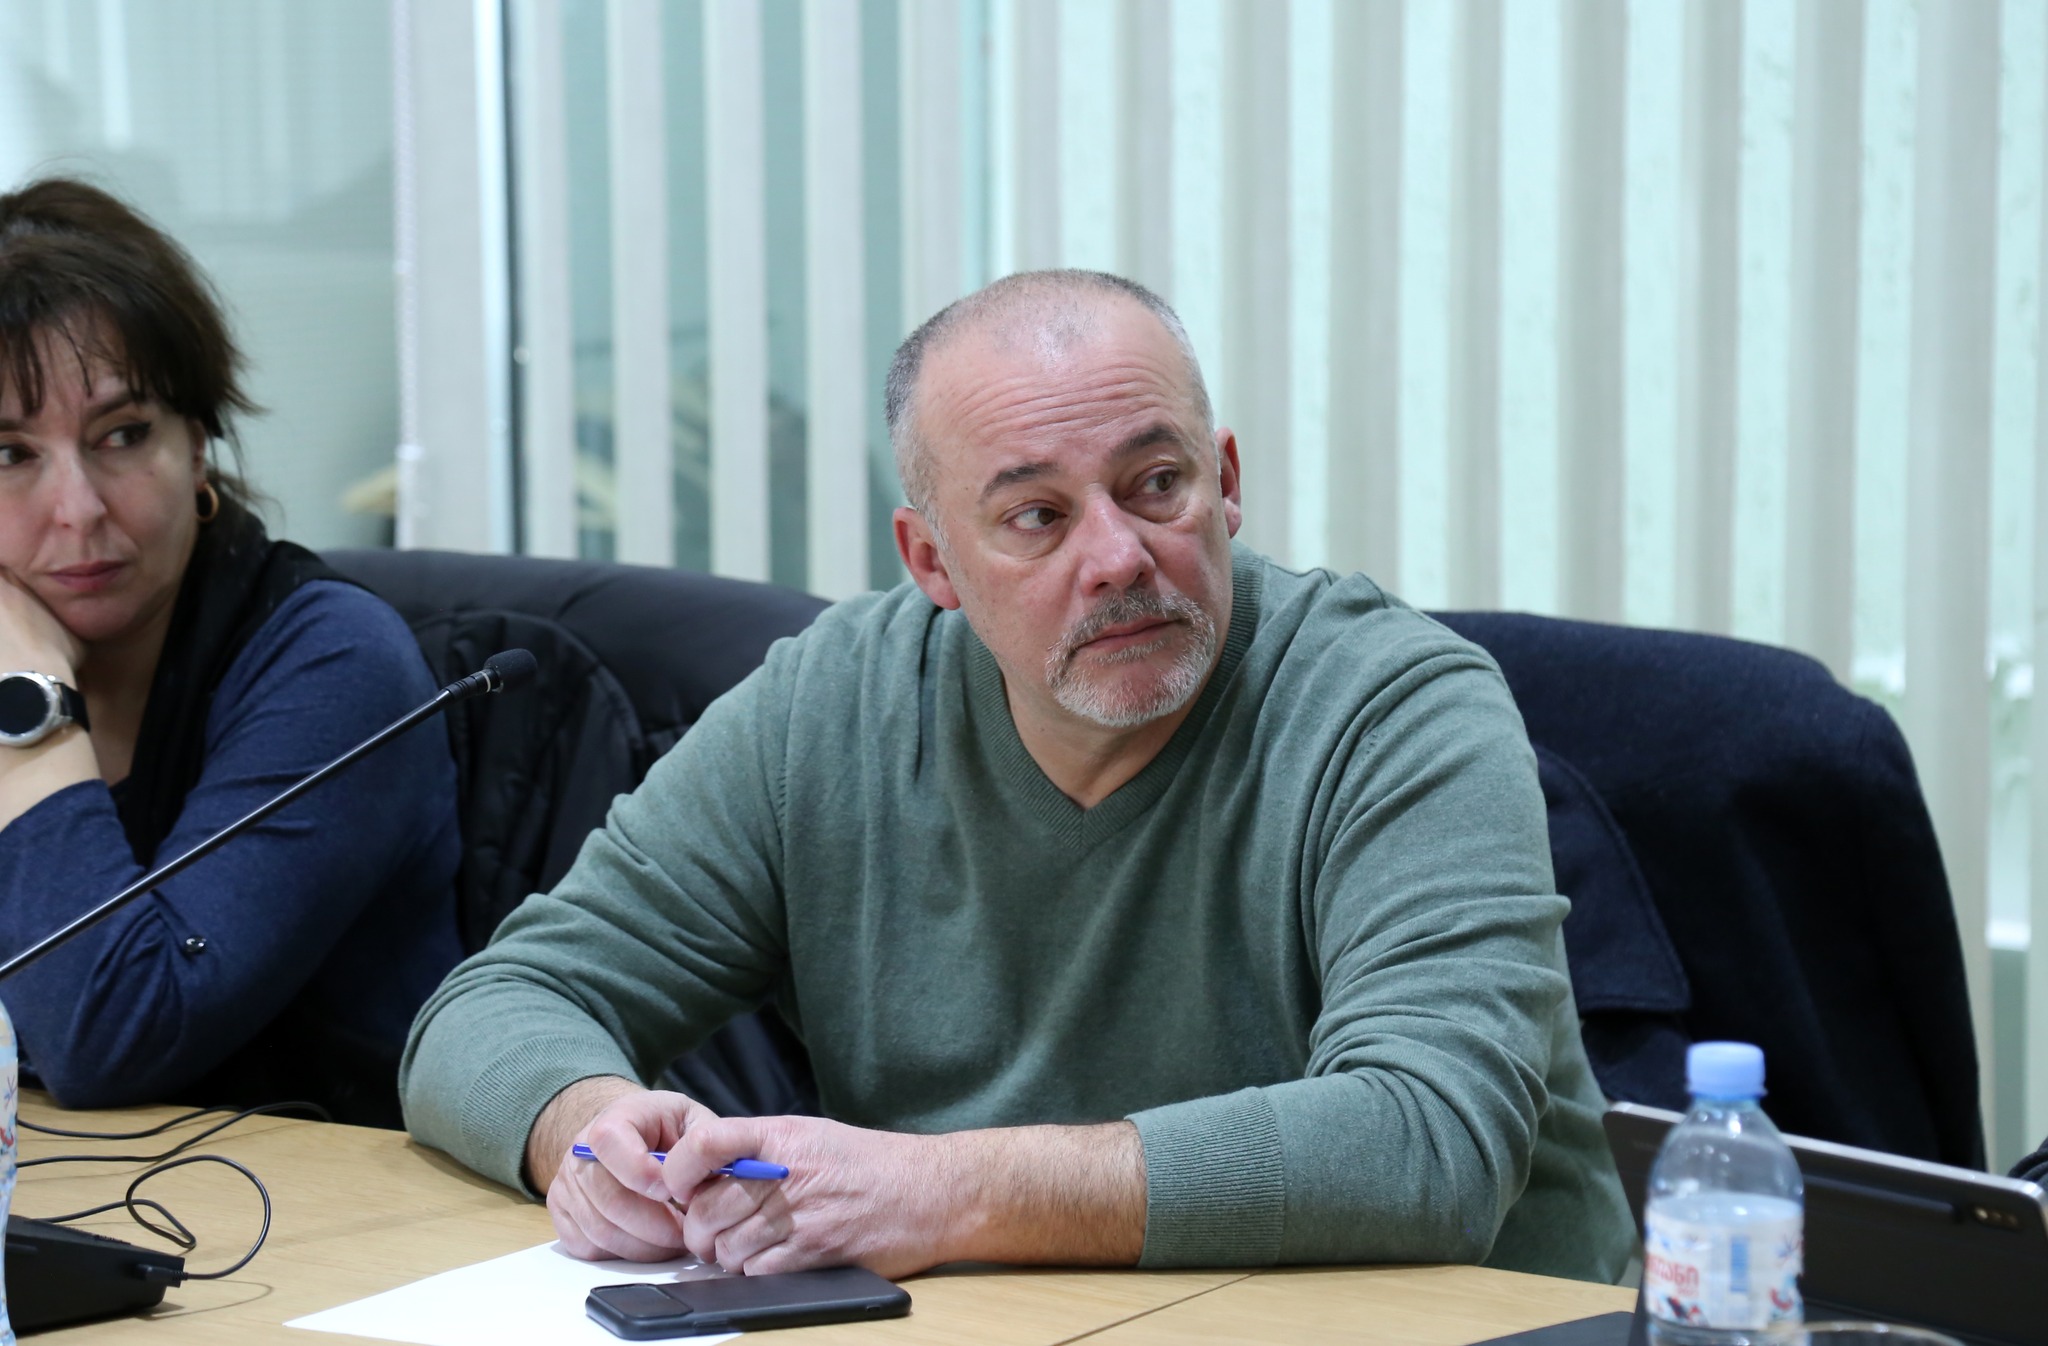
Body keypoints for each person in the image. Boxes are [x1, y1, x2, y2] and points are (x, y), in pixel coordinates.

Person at [402, 269, 1634, 1281]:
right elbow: (501, 999)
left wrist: (939, 1189)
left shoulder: (1396, 707)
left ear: (1226, 484)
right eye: (1036, 515)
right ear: (931, 560)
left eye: (1155, 484)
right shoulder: (831, 704)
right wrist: (589, 1132)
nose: (1116, 556)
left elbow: (1426, 1140)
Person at [0, 178, 461, 1127]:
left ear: (199, 441)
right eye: (9, 456)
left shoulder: (335, 664)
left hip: (324, 1206)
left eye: (124, 435)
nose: (78, 509)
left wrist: (28, 699)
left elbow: (110, 1034)